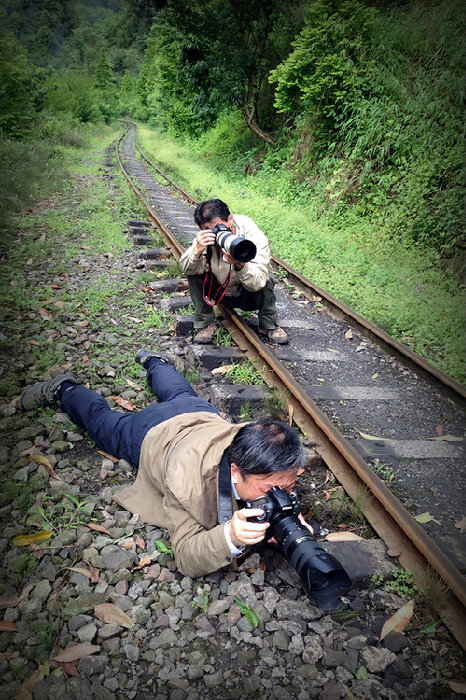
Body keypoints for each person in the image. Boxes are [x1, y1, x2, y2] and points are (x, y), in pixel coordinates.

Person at [19, 351, 309, 579]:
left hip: (199, 414)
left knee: (181, 394)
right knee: (103, 424)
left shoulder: (258, 439)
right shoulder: (187, 482)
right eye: (272, 488)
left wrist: (287, 522)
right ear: (236, 471)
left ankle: (156, 362)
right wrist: (229, 537)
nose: (281, 494)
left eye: (289, 486)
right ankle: (65, 390)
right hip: (152, 432)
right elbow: (184, 556)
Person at [179, 199, 289, 345]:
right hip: (219, 293)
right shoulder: (207, 236)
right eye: (208, 229)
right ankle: (205, 323)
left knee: (266, 277)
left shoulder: (253, 236)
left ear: (230, 219)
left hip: (248, 295)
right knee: (194, 269)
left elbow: (258, 283)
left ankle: (269, 325)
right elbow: (185, 268)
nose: (215, 232)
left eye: (219, 227)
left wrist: (240, 265)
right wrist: (197, 251)